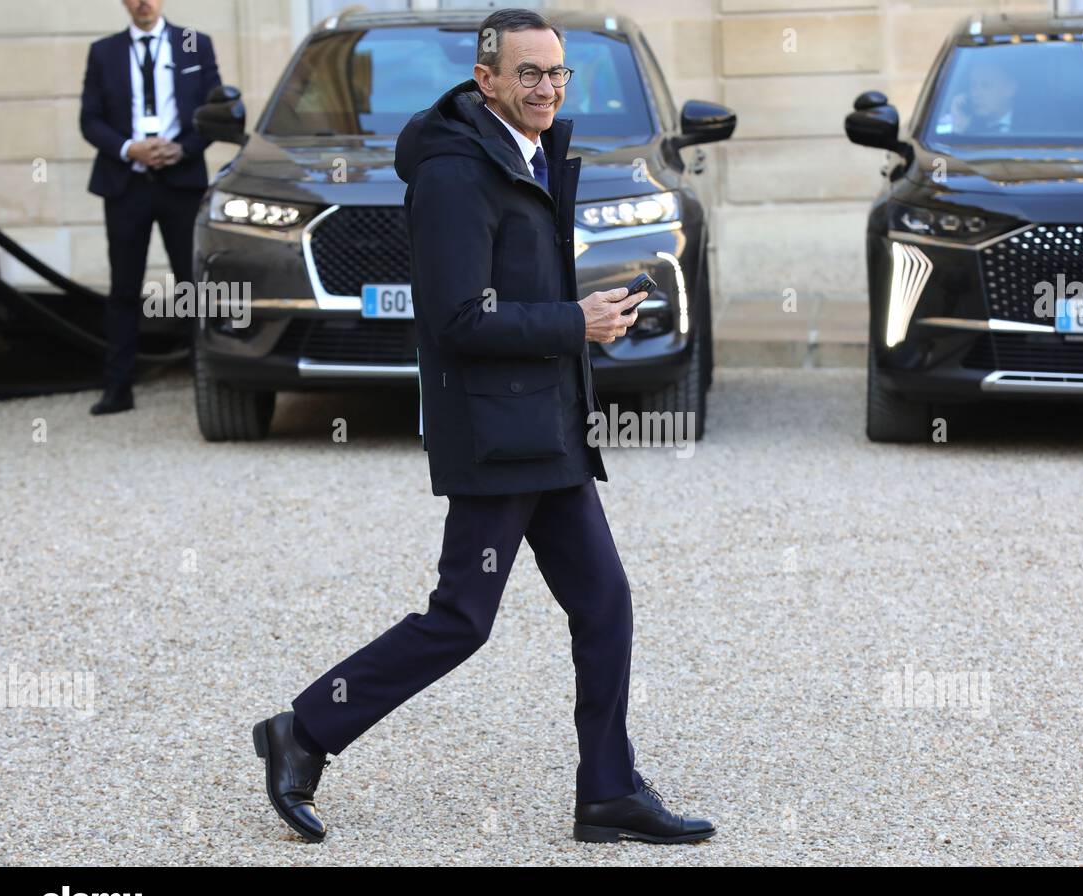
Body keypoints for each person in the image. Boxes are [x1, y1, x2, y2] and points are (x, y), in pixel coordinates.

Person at [252, 8, 716, 846]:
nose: (546, 88)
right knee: (462, 617)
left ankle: (607, 791)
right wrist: (577, 322)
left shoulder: (531, 154)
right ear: (487, 79)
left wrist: (582, 318)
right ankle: (304, 731)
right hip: (497, 436)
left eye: (557, 74)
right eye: (529, 74)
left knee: (604, 602)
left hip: (548, 429)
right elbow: (457, 321)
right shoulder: (457, 174)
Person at [79, 0, 221, 415]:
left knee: (192, 287)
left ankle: (206, 383)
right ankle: (118, 388)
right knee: (124, 288)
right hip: (126, 185)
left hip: (181, 182)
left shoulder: (196, 45)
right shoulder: (103, 51)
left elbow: (215, 114)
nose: (143, 2)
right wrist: (130, 149)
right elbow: (89, 119)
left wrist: (182, 149)